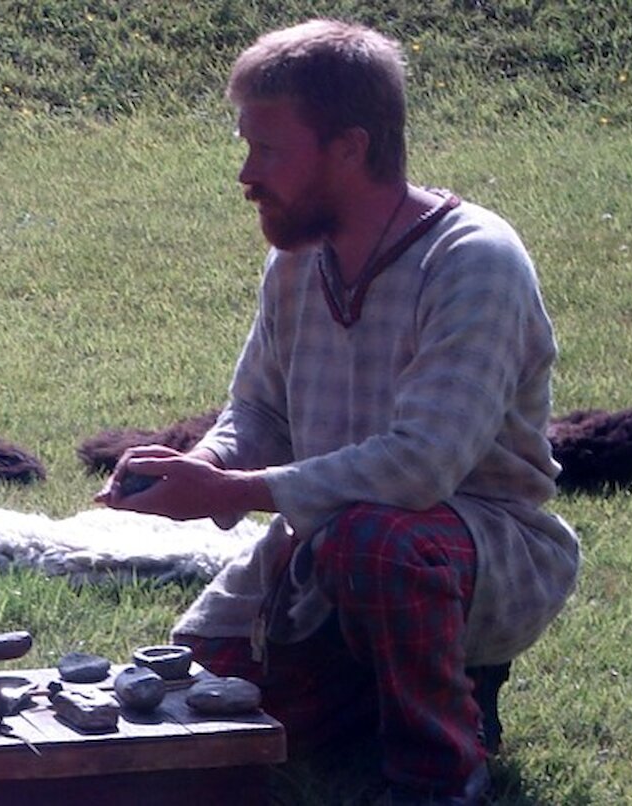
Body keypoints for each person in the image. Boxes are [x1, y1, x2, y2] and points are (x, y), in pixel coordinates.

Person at [96, 18, 580, 805]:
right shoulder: (297, 260)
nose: (246, 174)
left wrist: (231, 494)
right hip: (322, 544)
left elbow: (421, 467)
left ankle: (442, 771)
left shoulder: (473, 261)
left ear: (350, 148)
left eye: (268, 150)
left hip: (475, 550)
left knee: (374, 541)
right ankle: (390, 692)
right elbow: (258, 411)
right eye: (245, 146)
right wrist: (208, 463)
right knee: (197, 707)